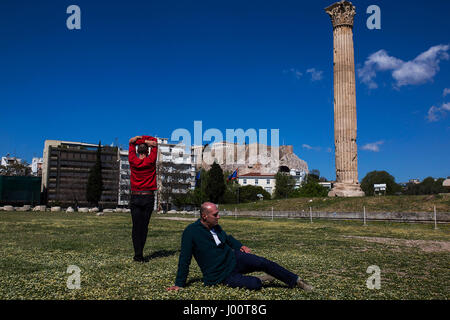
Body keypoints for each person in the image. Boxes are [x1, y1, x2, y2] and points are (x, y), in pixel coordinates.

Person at [167, 202, 313, 291]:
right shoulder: (190, 232)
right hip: (220, 275)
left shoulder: (215, 226)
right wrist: (179, 283)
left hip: (234, 258)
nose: (219, 217)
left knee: (263, 262)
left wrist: (240, 246)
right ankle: (261, 279)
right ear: (204, 216)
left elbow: (228, 239)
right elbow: (184, 258)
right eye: (215, 215)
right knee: (254, 284)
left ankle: (296, 281)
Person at [128, 135, 158, 262]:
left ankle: (137, 255)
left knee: (136, 227)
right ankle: (140, 253)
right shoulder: (151, 161)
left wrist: (138, 139)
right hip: (148, 197)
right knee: (144, 227)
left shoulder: (132, 161)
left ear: (137, 150)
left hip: (135, 196)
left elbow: (131, 142)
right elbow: (155, 143)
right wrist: (146, 141)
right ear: (147, 151)